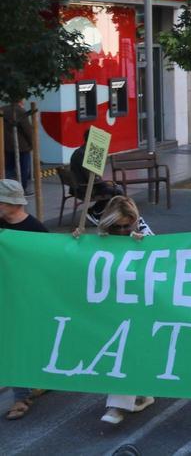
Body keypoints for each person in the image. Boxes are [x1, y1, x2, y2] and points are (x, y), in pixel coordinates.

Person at [88, 196, 155, 424]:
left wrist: (143, 245)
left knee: (124, 348)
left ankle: (117, 406)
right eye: (118, 227)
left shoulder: (144, 235)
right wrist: (75, 244)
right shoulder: (100, 240)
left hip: (141, 306)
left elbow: (166, 260)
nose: (124, 231)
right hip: (111, 305)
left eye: (128, 226)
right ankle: (142, 394)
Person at [0, 179, 49, 421]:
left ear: (11, 203)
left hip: (28, 295)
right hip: (5, 292)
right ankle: (23, 388)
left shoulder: (36, 228)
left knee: (20, 341)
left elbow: (52, 260)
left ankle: (23, 394)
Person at [69, 127, 124, 224]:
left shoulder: (79, 152)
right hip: (85, 188)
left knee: (113, 188)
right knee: (118, 191)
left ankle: (97, 212)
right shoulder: (85, 154)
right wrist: (106, 184)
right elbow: (92, 178)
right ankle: (95, 212)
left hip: (77, 187)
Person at [2, 100, 33, 192]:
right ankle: (21, 190)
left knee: (8, 168)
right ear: (20, 100)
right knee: (24, 169)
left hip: (6, 145)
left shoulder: (2, 109)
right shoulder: (20, 111)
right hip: (22, 146)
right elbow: (27, 130)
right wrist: (32, 144)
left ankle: (8, 189)